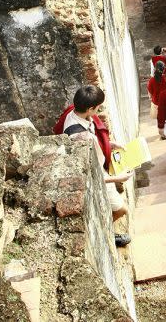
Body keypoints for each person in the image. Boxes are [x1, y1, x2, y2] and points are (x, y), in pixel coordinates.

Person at [58, 86, 131, 247]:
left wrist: (109, 144)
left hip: (98, 166)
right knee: (121, 210)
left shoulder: (74, 113)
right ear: (90, 108)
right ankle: (106, 235)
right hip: (98, 174)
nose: (99, 110)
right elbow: (93, 172)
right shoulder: (81, 137)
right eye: (98, 108)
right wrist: (119, 178)